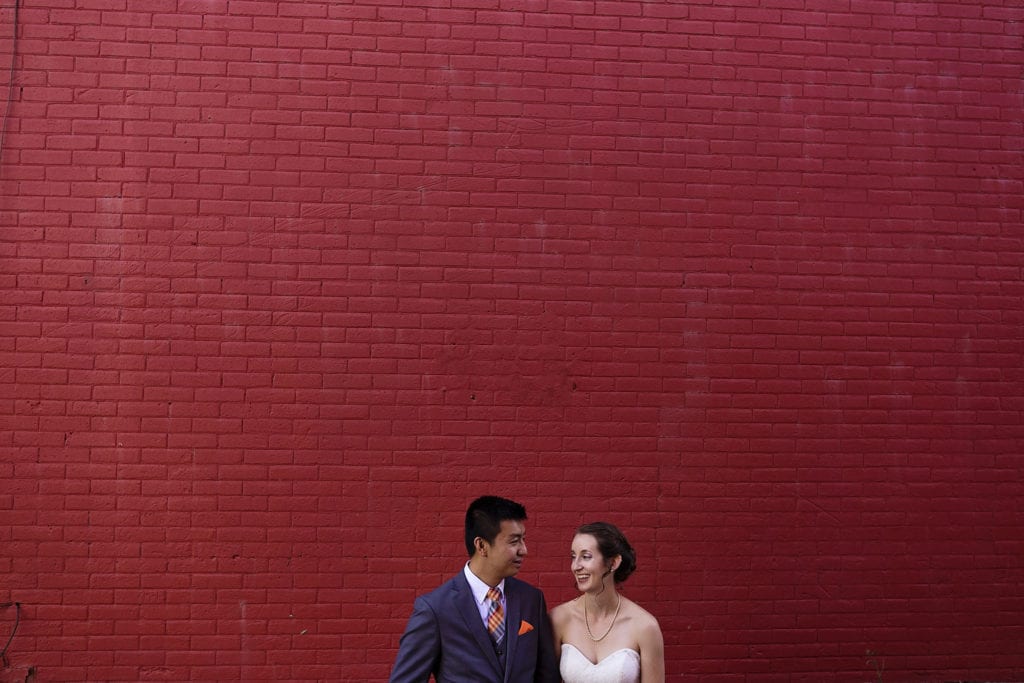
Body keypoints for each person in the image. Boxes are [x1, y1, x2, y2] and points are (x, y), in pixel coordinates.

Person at [389, 495, 560, 683]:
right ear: (481, 546)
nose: (524, 550)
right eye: (514, 541)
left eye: (523, 540)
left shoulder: (531, 600)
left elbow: (547, 676)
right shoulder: (435, 609)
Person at [550, 522, 665, 683]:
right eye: (573, 556)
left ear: (613, 563)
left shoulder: (645, 626)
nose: (575, 566)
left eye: (586, 556)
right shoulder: (559, 618)